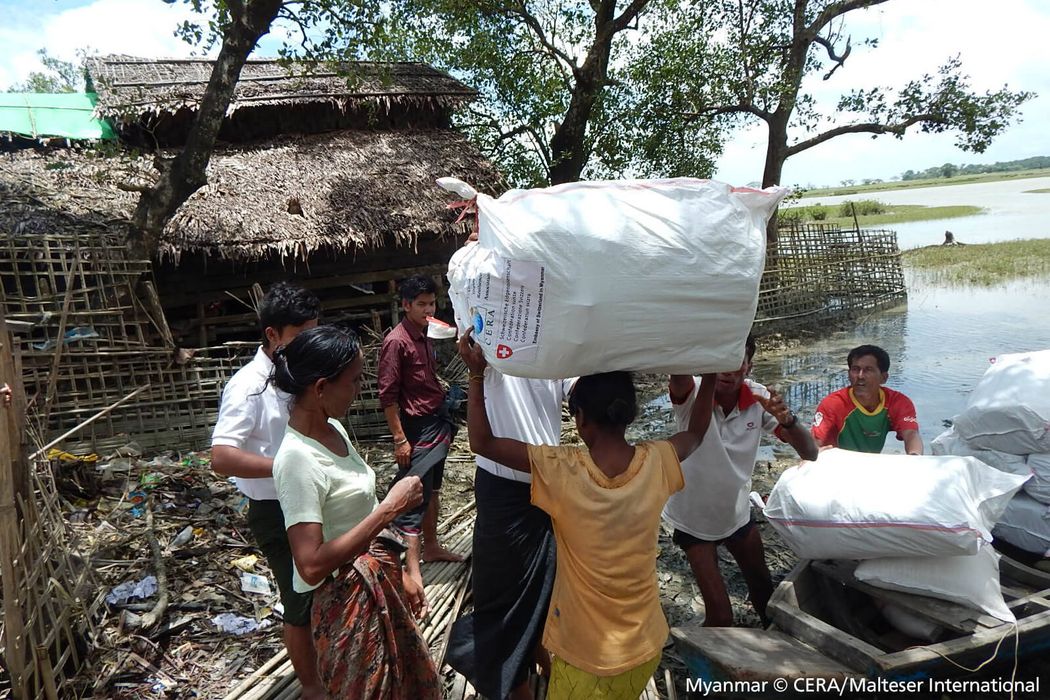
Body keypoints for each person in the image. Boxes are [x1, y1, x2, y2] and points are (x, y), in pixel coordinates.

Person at [458, 329, 716, 700]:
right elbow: (697, 431)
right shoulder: (657, 461)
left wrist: (476, 374)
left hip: (584, 655)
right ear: (628, 413)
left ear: (578, 419)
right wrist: (711, 370)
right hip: (645, 645)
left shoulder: (562, 470)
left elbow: (481, 443)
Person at [270, 325, 440, 699]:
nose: (359, 389)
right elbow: (310, 565)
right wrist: (390, 508)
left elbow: (360, 508)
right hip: (344, 602)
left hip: (377, 578)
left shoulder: (334, 430)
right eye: (353, 381)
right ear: (320, 388)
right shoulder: (297, 460)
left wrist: (407, 568)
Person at [210, 282, 324, 700]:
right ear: (272, 334)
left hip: (310, 504)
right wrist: (287, 468)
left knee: (322, 594)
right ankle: (311, 687)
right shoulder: (247, 387)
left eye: (313, 333)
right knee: (298, 602)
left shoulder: (295, 376)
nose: (308, 344)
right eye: (300, 335)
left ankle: (327, 668)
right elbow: (222, 458)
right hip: (276, 510)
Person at [664, 333, 818, 628]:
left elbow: (809, 452)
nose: (728, 370)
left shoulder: (758, 397)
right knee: (721, 616)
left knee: (766, 595)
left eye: (737, 362)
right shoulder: (692, 392)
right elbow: (678, 369)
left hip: (736, 513)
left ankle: (773, 649)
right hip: (693, 518)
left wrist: (788, 420)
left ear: (748, 366)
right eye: (721, 361)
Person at [446, 367, 574, 700]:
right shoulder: (485, 325)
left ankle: (532, 654)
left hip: (545, 477)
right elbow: (480, 442)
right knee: (504, 596)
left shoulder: (553, 328)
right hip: (504, 484)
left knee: (543, 579)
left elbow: (575, 386)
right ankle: (512, 680)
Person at [378, 275, 463, 598]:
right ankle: (412, 571)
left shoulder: (425, 334)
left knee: (434, 489)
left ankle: (432, 547)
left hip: (436, 420)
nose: (429, 309)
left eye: (432, 303)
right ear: (406, 305)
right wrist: (400, 438)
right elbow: (388, 397)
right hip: (416, 429)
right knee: (414, 494)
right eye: (422, 304)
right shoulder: (396, 342)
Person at [812, 344, 923, 455]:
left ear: (884, 378)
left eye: (868, 370)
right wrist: (814, 452)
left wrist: (914, 457)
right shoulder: (833, 404)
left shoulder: (898, 402)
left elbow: (911, 434)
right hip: (839, 463)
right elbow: (815, 444)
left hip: (870, 464)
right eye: (855, 369)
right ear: (849, 374)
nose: (860, 376)